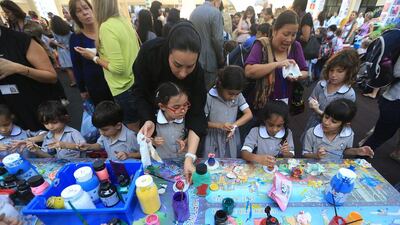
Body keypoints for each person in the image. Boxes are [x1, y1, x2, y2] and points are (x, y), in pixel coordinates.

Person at [132, 21, 207, 182]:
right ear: (168, 52)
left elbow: (197, 114)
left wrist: (189, 156)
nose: (183, 74)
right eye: (177, 65)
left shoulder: (198, 74)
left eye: (190, 66)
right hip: (154, 114)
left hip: (180, 131)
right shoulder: (149, 54)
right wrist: (147, 119)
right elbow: (140, 93)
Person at [75, 0, 141, 131]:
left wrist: (93, 58)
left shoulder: (106, 27)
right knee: (143, 126)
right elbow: (125, 51)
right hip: (136, 82)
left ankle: (140, 152)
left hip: (123, 87)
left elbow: (118, 68)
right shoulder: (123, 20)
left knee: (136, 132)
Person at [245, 10, 308, 112]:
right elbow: (249, 71)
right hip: (261, 108)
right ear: (274, 31)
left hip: (283, 108)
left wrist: (297, 75)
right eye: (286, 34)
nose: (289, 39)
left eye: (293, 35)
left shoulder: (296, 46)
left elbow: (305, 71)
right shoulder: (262, 45)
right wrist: (276, 64)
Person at [0, 26, 58, 131]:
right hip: (9, 119)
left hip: (38, 111)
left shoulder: (20, 40)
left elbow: (52, 77)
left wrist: (18, 68)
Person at [69, 0, 113, 106]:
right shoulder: (76, 38)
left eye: (86, 8)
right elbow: (76, 65)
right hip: (95, 84)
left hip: (116, 78)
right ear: (76, 17)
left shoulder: (106, 30)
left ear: (92, 9)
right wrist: (82, 89)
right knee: (107, 116)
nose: (85, 12)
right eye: (79, 11)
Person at [304, 49, 358, 133]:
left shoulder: (349, 94)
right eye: (331, 70)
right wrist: (311, 102)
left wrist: (318, 111)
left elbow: (343, 119)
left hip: (330, 130)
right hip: (313, 122)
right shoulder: (321, 84)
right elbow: (311, 98)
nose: (333, 75)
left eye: (339, 71)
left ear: (349, 73)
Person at [204, 66, 253, 158]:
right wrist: (220, 125)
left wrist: (234, 125)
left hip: (231, 137)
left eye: (237, 94)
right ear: (220, 85)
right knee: (213, 164)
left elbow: (248, 114)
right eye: (230, 94)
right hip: (213, 138)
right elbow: (202, 122)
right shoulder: (210, 97)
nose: (233, 97)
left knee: (231, 164)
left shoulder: (238, 96)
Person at [303, 98, 374, 159]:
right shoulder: (311, 132)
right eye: (326, 117)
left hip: (334, 167)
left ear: (346, 123)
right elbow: (305, 153)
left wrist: (357, 151)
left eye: (334, 121)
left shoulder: (348, 134)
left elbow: (344, 150)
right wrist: (316, 155)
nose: (326, 122)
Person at [363, 56, 400, 163]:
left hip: (393, 100)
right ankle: (358, 160)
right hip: (394, 102)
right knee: (380, 136)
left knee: (382, 134)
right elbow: (395, 72)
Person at [241, 100, 294, 168]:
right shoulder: (255, 131)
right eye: (271, 125)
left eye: (279, 126)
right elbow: (244, 153)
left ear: (284, 123)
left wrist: (286, 154)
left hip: (278, 169)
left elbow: (291, 155)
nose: (274, 129)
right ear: (264, 120)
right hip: (258, 169)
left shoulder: (287, 133)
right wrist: (258, 158)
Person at [190, 0, 224, 89]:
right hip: (209, 61)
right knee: (208, 93)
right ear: (216, 1)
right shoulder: (216, 13)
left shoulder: (194, 12)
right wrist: (221, 59)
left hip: (194, 59)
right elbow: (218, 39)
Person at [153, 82, 188, 159]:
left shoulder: (188, 118)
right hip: (160, 163)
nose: (183, 111)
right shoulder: (152, 120)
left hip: (182, 161)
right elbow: (143, 139)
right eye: (176, 107)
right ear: (162, 106)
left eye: (185, 105)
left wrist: (187, 141)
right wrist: (153, 141)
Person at [50, 15, 76, 87]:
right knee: (75, 65)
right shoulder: (67, 29)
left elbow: (55, 41)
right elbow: (72, 36)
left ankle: (73, 82)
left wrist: (58, 44)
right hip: (70, 48)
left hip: (62, 50)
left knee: (68, 68)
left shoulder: (54, 31)